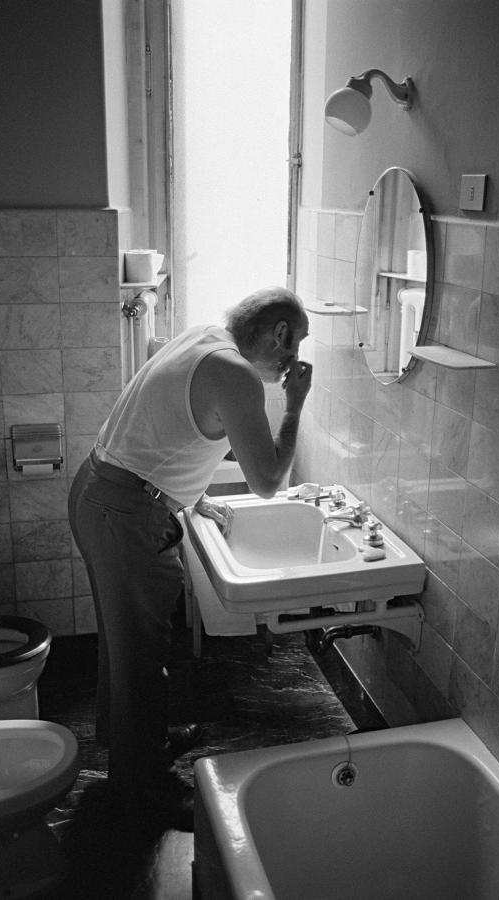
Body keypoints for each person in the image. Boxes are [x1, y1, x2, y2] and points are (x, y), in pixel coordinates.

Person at [68, 286, 311, 830]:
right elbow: (269, 480)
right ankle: (142, 791)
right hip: (126, 513)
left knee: (124, 640)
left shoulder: (202, 338)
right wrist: (294, 405)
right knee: (141, 652)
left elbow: (162, 427)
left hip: (101, 491)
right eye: (298, 342)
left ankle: (138, 741)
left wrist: (193, 493)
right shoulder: (239, 377)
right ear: (280, 335)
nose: (296, 356)